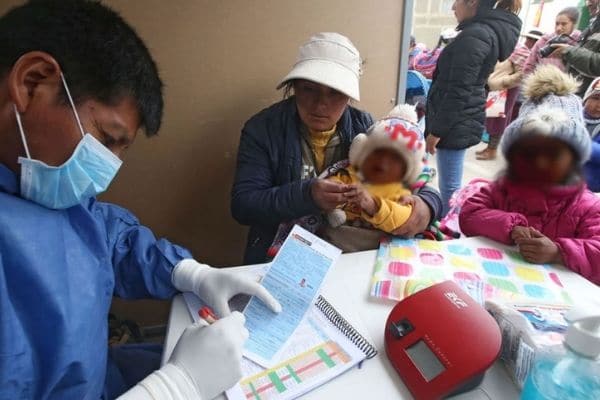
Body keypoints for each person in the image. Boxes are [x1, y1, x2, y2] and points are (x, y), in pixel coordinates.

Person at [0, 2, 282, 399]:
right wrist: (175, 387)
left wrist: (190, 273)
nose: (109, 167)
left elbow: (104, 236)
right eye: (106, 138)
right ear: (32, 83)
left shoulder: (36, 181)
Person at [231, 32, 443, 264]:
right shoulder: (263, 130)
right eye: (309, 89)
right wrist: (307, 195)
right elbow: (244, 205)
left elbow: (411, 174)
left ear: (349, 96)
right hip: (278, 255)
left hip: (347, 256)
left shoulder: (364, 126)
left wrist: (429, 204)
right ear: (294, 87)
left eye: (335, 92)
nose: (321, 104)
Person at [459, 65, 600, 285]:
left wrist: (559, 252)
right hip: (498, 281)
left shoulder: (587, 206)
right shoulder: (503, 190)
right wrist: (510, 226)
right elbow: (469, 215)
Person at [425, 0, 522, 215]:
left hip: (455, 120)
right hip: (460, 116)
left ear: (472, 2)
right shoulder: (482, 33)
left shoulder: (476, 36)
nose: (452, 7)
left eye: (456, 1)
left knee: (450, 188)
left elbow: (459, 89)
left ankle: (451, 228)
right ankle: (450, 222)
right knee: (450, 184)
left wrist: (437, 131)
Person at [326, 104, 425, 234]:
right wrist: (336, 189)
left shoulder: (398, 189)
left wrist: (373, 205)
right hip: (341, 235)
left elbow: (404, 217)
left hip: (372, 241)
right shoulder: (351, 172)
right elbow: (333, 184)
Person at [477, 39, 532, 160]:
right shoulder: (505, 48)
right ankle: (490, 148)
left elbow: (522, 73)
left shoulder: (520, 51)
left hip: (505, 89)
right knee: (492, 118)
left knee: (498, 120)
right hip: (496, 88)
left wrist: (503, 82)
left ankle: (492, 150)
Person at [552, 0, 600, 97]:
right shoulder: (592, 26)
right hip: (576, 95)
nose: (588, 3)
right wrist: (565, 56)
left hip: (591, 99)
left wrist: (569, 52)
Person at [522, 7, 581, 76]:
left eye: (564, 24)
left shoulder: (579, 44)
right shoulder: (544, 41)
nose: (559, 28)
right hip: (540, 81)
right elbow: (529, 66)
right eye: (557, 24)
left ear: (574, 24)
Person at [582, 77, 600, 192]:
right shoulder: (572, 117)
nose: (599, 105)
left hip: (593, 189)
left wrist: (581, 144)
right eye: (596, 98)